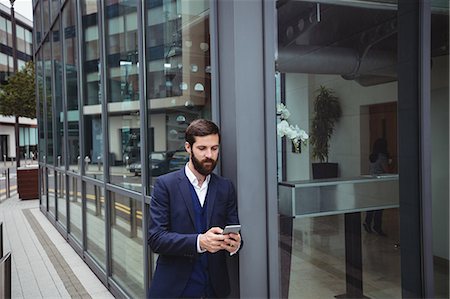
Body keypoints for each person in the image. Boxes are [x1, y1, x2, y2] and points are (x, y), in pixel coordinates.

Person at [148, 119, 242, 298]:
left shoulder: (225, 187)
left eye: (214, 148)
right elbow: (156, 238)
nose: (209, 155)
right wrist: (200, 242)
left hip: (215, 290)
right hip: (174, 290)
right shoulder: (165, 185)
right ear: (188, 148)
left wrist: (235, 244)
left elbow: (233, 228)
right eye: (202, 148)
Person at [363, 138, 390, 236]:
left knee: (372, 204)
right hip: (380, 184)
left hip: (372, 183)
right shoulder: (382, 157)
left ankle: (367, 221)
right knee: (380, 205)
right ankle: (377, 226)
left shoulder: (372, 157)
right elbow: (386, 170)